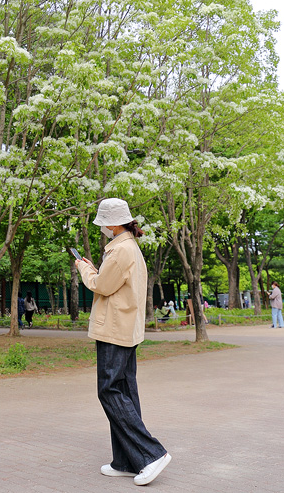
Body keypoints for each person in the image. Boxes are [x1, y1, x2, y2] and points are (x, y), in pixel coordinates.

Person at [74, 198, 171, 486]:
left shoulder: (120, 251)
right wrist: (96, 268)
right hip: (126, 329)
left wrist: (84, 268)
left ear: (114, 223)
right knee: (125, 391)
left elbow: (101, 285)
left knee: (110, 391)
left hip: (114, 329)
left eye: (103, 222)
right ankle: (128, 461)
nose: (102, 227)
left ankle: (151, 454)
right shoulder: (130, 248)